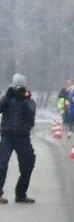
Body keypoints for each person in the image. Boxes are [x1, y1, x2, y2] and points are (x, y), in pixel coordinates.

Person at [0, 74, 38, 204]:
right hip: (7, 136)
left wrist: (24, 100)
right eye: (17, 87)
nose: (19, 90)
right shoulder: (7, 98)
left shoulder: (29, 100)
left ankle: (21, 194)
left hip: (23, 137)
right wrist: (7, 96)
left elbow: (31, 114)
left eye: (21, 87)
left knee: (28, 164)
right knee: (1, 164)